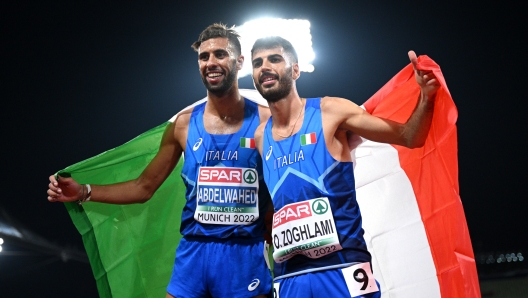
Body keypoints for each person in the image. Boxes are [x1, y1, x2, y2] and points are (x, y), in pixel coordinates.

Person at [47, 23, 273, 298]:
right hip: (194, 253)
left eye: (220, 55)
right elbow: (144, 186)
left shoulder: (266, 121)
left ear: (239, 62)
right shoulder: (183, 126)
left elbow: (286, 185)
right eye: (204, 57)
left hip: (244, 253)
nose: (210, 62)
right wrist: (84, 191)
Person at [250, 36, 439, 298]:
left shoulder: (330, 111)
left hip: (342, 268)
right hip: (289, 276)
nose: (265, 67)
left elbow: (409, 136)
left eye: (275, 59)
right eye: (257, 63)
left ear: (295, 70)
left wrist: (426, 97)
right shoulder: (261, 137)